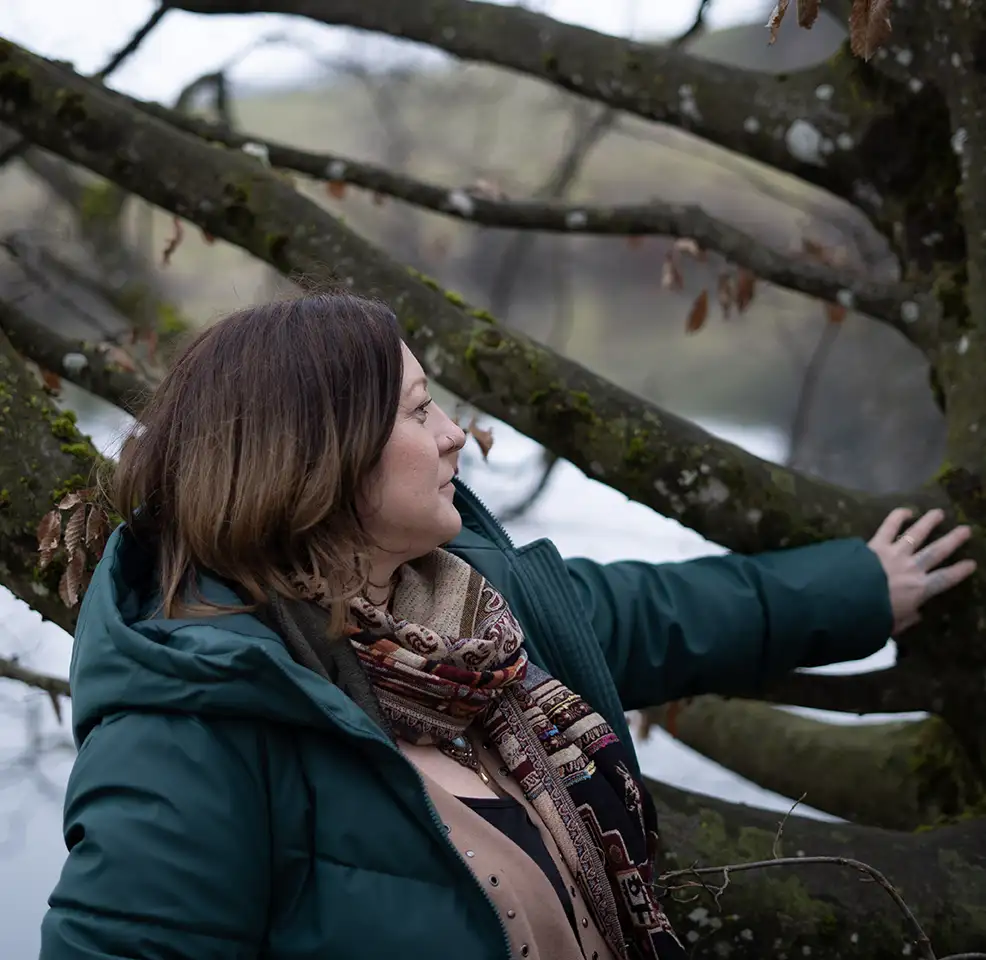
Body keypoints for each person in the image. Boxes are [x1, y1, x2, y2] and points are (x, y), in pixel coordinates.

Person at [40, 292, 974, 960]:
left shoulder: (470, 614)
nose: (456, 434)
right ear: (323, 461)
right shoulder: (188, 732)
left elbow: (662, 615)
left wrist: (860, 586)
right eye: (420, 411)